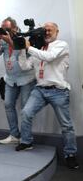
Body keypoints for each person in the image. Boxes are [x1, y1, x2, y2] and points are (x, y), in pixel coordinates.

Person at [16, 22, 79, 169]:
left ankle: (70, 154)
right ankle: (26, 142)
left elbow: (49, 57)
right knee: (26, 112)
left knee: (66, 125)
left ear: (57, 31)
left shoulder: (61, 45)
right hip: (40, 89)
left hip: (58, 90)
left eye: (50, 30)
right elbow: (25, 66)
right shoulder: (37, 49)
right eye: (45, 30)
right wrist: (21, 50)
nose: (48, 32)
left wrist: (28, 47)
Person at [0, 17, 36, 145]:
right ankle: (14, 135)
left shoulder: (24, 37)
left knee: (25, 109)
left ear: (14, 28)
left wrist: (10, 41)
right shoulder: (4, 40)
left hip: (26, 79)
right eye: (2, 29)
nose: (4, 31)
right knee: (8, 105)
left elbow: (23, 51)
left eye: (6, 29)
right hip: (10, 79)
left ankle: (25, 138)